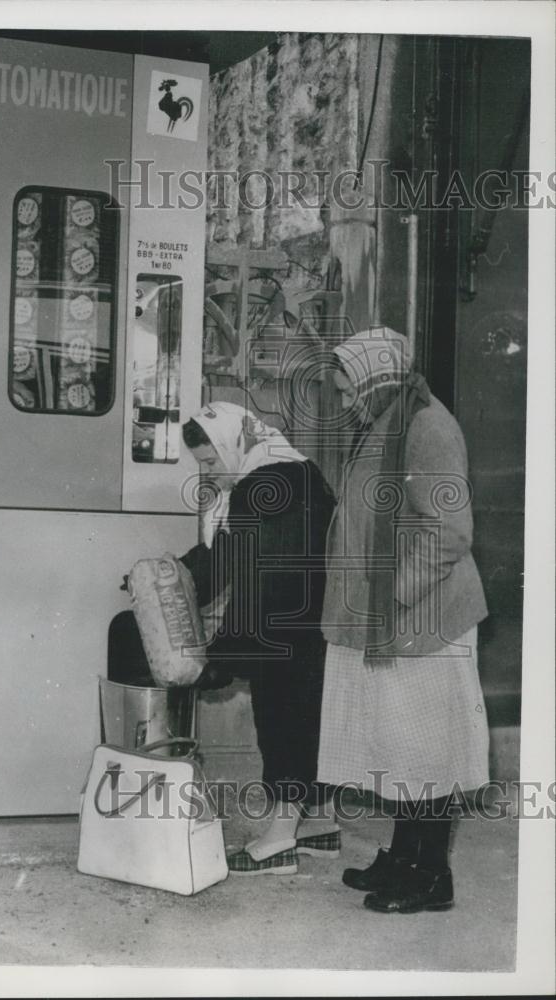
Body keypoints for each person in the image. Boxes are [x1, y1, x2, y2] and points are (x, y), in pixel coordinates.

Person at [108, 401, 338, 874]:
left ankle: (279, 842)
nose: (209, 473)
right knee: (303, 719)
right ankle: (315, 826)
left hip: (284, 624)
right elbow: (228, 556)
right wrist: (168, 576)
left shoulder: (264, 486)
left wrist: (224, 654)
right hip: (307, 622)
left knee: (282, 724)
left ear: (233, 442)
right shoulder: (290, 469)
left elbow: (256, 577)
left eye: (210, 461)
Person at [317, 327, 490, 913]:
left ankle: (431, 875)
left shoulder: (427, 425)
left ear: (373, 378)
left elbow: (450, 531)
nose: (343, 401)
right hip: (388, 622)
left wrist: (395, 598)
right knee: (398, 747)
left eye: (346, 390)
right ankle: (403, 853)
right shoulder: (388, 419)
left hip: (421, 622)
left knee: (426, 754)